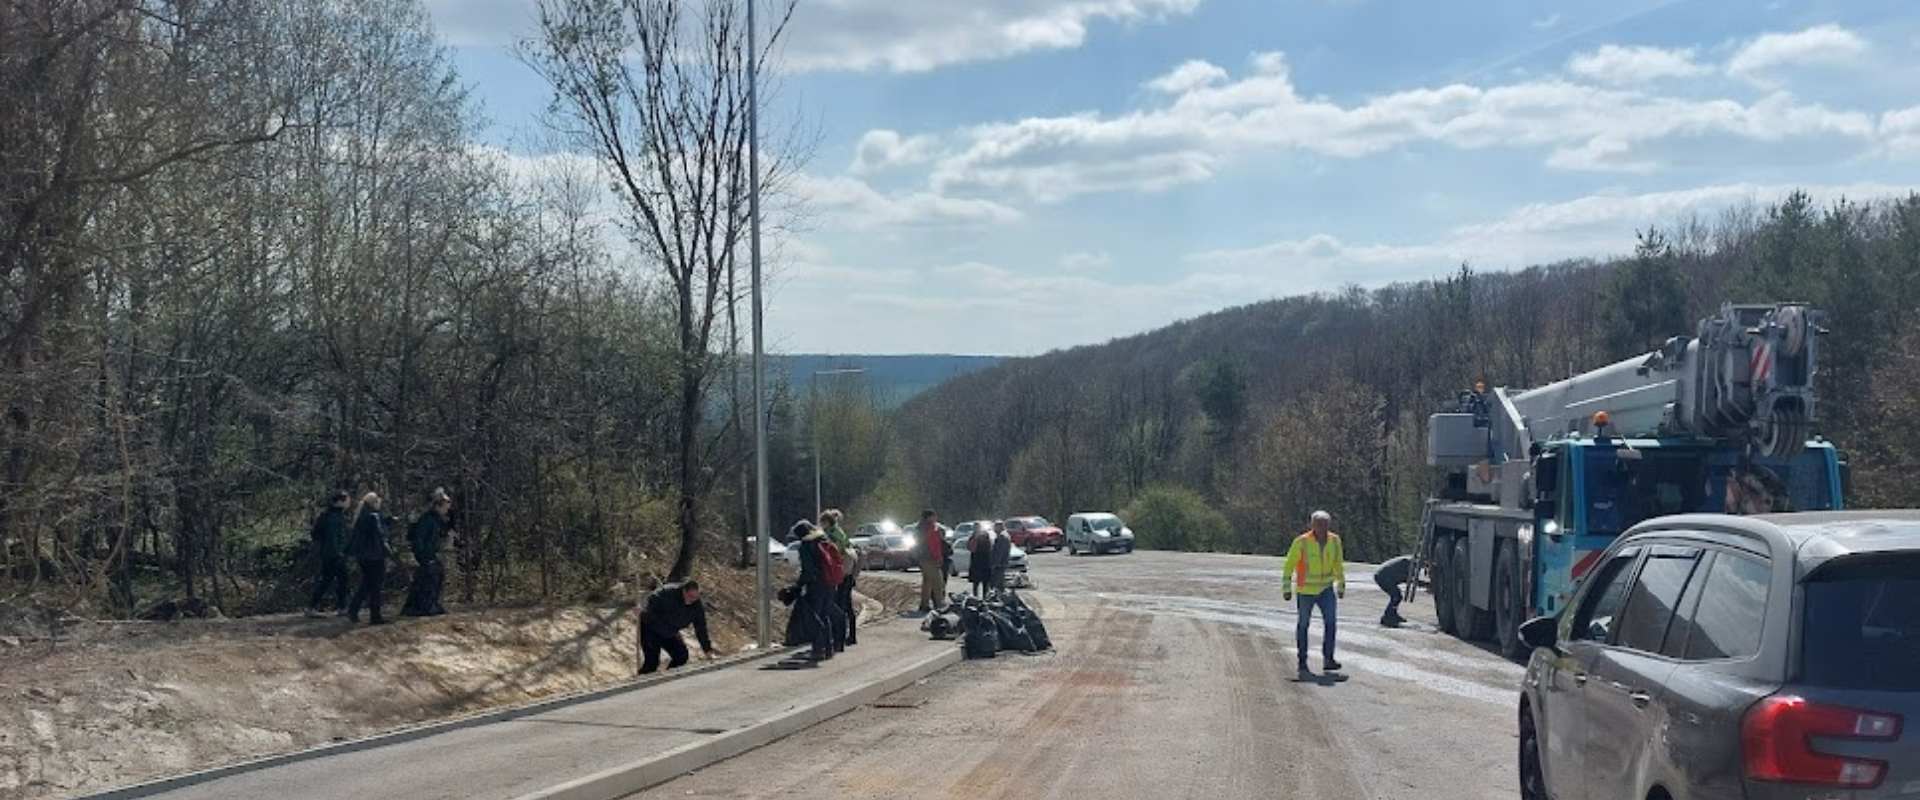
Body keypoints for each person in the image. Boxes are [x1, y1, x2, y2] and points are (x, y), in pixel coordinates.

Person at [1283, 510, 1346, 677]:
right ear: (1312, 525)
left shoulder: (1334, 541)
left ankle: (1328, 659)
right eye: (1319, 524)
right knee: (1303, 625)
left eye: (1325, 524)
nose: (1322, 528)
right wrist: (1286, 588)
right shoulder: (1301, 542)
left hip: (1326, 589)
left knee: (1331, 623)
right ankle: (1302, 661)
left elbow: (1338, 563)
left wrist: (1341, 585)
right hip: (1306, 591)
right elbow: (1289, 564)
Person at [638, 580, 715, 674]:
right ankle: (640, 683)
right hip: (651, 629)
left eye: (696, 598)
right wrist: (642, 613)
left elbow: (701, 628)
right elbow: (648, 603)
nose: (692, 600)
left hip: (670, 631)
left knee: (681, 656)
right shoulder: (667, 593)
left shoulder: (697, 606)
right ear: (684, 591)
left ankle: (667, 678)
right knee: (651, 663)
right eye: (690, 596)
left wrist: (707, 650)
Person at [791, 520, 842, 660]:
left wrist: (799, 585)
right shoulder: (824, 539)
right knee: (825, 615)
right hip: (830, 583)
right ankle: (829, 648)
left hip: (816, 586)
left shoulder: (806, 546)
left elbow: (807, 571)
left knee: (814, 618)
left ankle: (818, 649)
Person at [402, 488, 454, 617]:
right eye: (445, 507)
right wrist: (422, 557)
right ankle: (425, 606)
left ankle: (430, 605)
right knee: (430, 578)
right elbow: (419, 540)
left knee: (431, 577)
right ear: (438, 506)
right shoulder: (427, 519)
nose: (446, 510)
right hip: (425, 555)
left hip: (430, 554)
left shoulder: (436, 519)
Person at [345, 492, 392, 625]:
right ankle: (375, 615)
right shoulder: (374, 516)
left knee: (366, 584)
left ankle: (353, 609)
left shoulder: (361, 516)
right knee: (376, 585)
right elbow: (380, 533)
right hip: (375, 555)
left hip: (363, 556)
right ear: (375, 503)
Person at [305, 490, 351, 618]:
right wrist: (339, 553)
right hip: (334, 555)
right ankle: (341, 607)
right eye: (347, 500)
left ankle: (313, 607)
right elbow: (332, 537)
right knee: (341, 579)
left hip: (328, 554)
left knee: (328, 580)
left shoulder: (331, 515)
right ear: (340, 502)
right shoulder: (332, 517)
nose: (348, 503)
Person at [821, 509, 860, 647]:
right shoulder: (840, 532)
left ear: (826, 522)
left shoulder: (831, 535)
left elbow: (833, 553)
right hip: (848, 571)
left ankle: (840, 637)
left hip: (841, 572)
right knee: (847, 604)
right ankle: (852, 635)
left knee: (839, 605)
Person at [915, 510, 948, 613]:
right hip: (930, 558)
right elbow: (934, 545)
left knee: (927, 582)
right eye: (933, 516)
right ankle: (939, 604)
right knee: (938, 582)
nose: (935, 519)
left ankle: (924, 604)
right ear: (929, 517)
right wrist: (938, 558)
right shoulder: (931, 528)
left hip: (922, 558)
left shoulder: (919, 528)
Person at [1374, 554, 1413, 628]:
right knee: (1396, 595)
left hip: (1383, 575)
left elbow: (1408, 578)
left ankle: (1392, 614)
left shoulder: (1407, 561)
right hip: (1382, 577)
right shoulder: (1407, 563)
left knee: (1397, 595)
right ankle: (1387, 617)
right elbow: (1409, 577)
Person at [966, 525, 992, 598]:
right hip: (976, 562)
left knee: (985, 583)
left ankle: (985, 598)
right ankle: (975, 598)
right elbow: (970, 548)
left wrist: (982, 538)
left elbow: (989, 547)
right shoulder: (972, 537)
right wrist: (975, 538)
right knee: (975, 583)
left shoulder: (986, 536)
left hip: (985, 562)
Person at [989, 525, 1013, 595]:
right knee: (1000, 584)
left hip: (999, 565)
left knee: (994, 584)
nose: (994, 529)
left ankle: (995, 599)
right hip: (1003, 563)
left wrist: (994, 564)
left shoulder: (1001, 538)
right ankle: (1002, 597)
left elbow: (999, 552)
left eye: (995, 527)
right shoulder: (1006, 536)